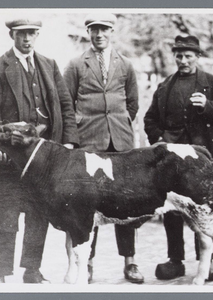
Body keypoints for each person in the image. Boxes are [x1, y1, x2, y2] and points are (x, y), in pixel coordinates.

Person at [0, 17, 78, 284]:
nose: (27, 39)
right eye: (21, 34)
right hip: (8, 159)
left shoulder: (49, 66)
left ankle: (32, 271)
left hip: (42, 159)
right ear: (12, 36)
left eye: (32, 33)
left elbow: (65, 107)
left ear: (37, 34)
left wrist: (68, 144)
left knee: (38, 212)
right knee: (5, 215)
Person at [144, 35, 213, 280]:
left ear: (198, 57)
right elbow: (149, 120)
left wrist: (209, 106)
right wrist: (160, 139)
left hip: (205, 161)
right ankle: (175, 260)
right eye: (179, 55)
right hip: (174, 162)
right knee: (173, 209)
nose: (183, 60)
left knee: (204, 209)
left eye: (188, 56)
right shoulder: (165, 87)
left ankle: (207, 263)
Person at [63, 13, 143, 284]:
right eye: (94, 29)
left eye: (104, 29)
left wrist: (118, 125)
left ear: (112, 32)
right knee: (87, 206)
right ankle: (86, 264)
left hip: (120, 143)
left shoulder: (126, 65)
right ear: (88, 32)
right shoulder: (76, 64)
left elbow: (132, 103)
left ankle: (130, 263)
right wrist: (78, 134)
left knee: (127, 201)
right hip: (89, 144)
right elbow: (66, 104)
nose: (99, 34)